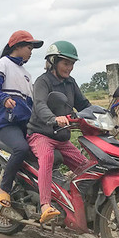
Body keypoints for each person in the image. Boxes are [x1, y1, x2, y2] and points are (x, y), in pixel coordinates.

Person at [27, 40, 91, 224]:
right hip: (41, 134)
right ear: (54, 61)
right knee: (46, 157)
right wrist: (54, 118)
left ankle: (80, 204)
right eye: (66, 63)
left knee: (87, 167)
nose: (70, 68)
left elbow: (83, 105)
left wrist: (104, 114)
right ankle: (45, 206)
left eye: (72, 64)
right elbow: (40, 105)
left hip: (62, 138)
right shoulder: (43, 82)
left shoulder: (70, 83)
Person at [0, 30, 43, 207]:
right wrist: (4, 99)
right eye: (28, 46)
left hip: (25, 124)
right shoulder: (2, 65)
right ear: (16, 46)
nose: (31, 51)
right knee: (21, 148)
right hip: (6, 124)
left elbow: (33, 104)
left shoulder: (26, 75)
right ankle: (4, 189)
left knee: (43, 151)